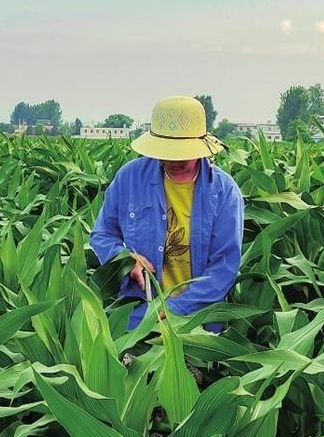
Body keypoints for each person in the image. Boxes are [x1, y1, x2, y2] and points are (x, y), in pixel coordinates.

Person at [90, 95, 244, 331]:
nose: (172, 159)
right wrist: (124, 259)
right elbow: (102, 234)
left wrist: (174, 309)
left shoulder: (224, 191)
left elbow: (224, 267)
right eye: (165, 151)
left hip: (198, 324)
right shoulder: (129, 178)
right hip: (136, 316)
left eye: (181, 152)